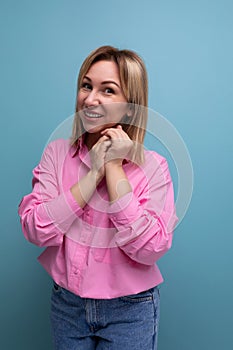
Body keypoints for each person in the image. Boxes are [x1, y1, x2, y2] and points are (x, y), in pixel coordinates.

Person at [18, 45, 178, 350]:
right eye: (86, 86)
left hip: (130, 310)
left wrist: (115, 167)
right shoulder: (56, 154)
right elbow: (35, 228)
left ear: (131, 107)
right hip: (67, 307)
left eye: (108, 90)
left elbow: (150, 248)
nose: (90, 99)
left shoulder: (155, 167)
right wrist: (92, 176)